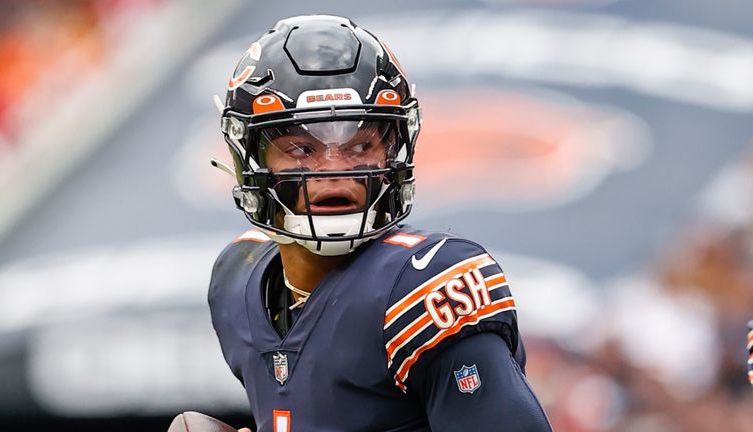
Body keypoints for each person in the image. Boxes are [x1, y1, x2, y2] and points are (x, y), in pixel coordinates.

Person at [209, 14, 552, 431]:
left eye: (359, 145)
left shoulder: (423, 285)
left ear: (394, 152)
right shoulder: (237, 278)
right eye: (300, 148)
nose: (332, 171)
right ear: (249, 161)